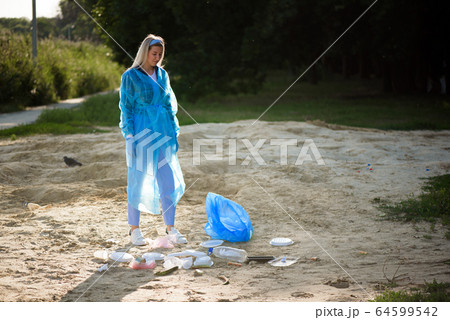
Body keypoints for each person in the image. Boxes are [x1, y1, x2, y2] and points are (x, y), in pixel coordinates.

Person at [119, 34, 186, 245]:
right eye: (154, 53)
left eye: (160, 54)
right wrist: (129, 135)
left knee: (168, 181)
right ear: (145, 52)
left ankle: (171, 228)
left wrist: (174, 129)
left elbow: (168, 103)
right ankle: (134, 230)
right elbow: (126, 107)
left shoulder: (163, 74)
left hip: (163, 132)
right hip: (141, 134)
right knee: (137, 182)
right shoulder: (130, 76)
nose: (157, 58)